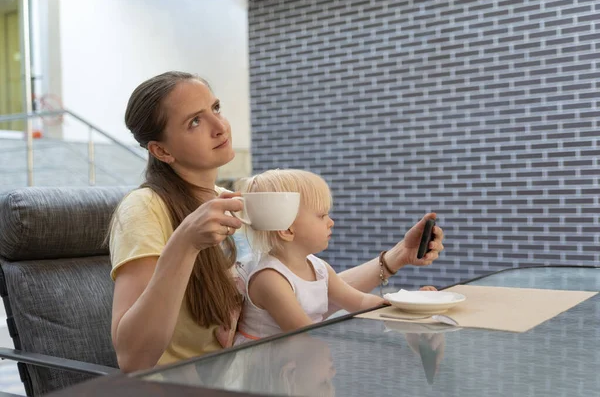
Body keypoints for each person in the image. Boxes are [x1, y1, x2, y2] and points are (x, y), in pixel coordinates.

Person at [108, 71, 445, 373]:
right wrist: (185, 244)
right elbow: (134, 359)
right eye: (195, 121)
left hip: (252, 373)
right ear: (162, 151)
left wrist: (396, 256)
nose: (220, 126)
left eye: (216, 108)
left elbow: (304, 291)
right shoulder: (144, 208)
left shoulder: (230, 200)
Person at [234, 169, 437, 343]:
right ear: (287, 230)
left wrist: (410, 304)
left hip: (301, 359)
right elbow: (304, 334)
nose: (330, 222)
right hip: (270, 368)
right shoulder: (270, 279)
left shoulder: (319, 267)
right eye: (322, 215)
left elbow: (359, 302)